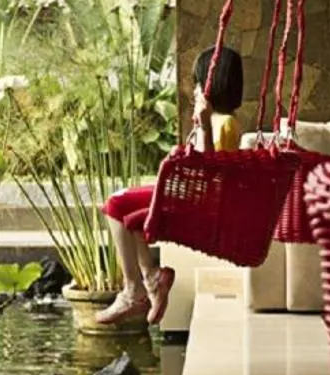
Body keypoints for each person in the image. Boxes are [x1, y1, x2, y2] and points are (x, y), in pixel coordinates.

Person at [96, 48, 246, 326]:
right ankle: (151, 280)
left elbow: (211, 174)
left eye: (199, 83)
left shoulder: (224, 124)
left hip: (194, 202)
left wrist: (205, 128)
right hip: (185, 194)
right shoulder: (213, 121)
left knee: (117, 204)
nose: (195, 90)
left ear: (215, 85)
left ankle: (134, 291)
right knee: (122, 212)